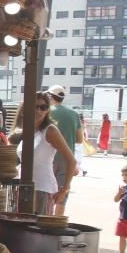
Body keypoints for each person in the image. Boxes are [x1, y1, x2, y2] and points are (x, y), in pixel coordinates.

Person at [21, 91, 76, 215]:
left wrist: (65, 189)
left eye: (43, 107)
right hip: (22, 188)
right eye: (35, 107)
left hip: (42, 189)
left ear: (47, 110)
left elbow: (71, 160)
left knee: (37, 231)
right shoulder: (27, 130)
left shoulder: (50, 130)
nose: (39, 111)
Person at [45, 85, 82, 216]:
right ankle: (56, 224)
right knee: (61, 196)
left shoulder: (46, 112)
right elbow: (79, 139)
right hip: (67, 160)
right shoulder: (74, 114)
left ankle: (45, 222)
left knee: (46, 194)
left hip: (48, 159)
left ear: (50, 96)